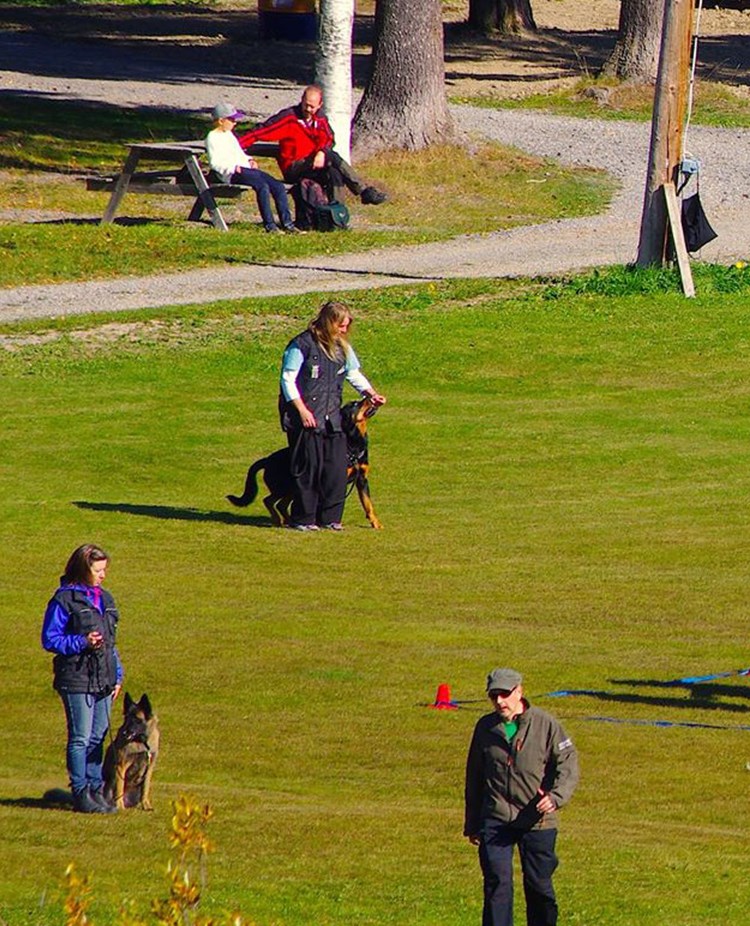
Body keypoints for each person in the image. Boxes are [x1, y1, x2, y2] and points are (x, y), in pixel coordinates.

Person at [464, 668, 579, 926]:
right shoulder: (485, 727)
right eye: (494, 696)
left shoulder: (546, 724)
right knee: (497, 885)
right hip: (496, 819)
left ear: (520, 692)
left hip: (537, 820)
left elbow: (568, 763)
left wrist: (556, 797)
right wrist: (472, 823)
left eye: (505, 694)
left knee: (539, 887)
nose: (500, 702)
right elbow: (474, 777)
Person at [279, 300, 386, 531]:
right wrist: (302, 410)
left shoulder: (342, 349)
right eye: (341, 326)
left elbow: (353, 373)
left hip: (331, 419)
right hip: (306, 418)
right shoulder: (301, 345)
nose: (344, 331)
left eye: (347, 326)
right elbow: (287, 380)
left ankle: (330, 518)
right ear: (329, 322)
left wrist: (371, 393)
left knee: (335, 469)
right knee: (308, 469)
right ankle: (303, 519)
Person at [41, 544, 123, 814]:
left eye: (104, 570)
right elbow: (50, 639)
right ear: (82, 569)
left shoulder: (106, 599)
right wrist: (81, 641)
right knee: (80, 737)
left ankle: (96, 789)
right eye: (97, 570)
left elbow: (111, 643)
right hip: (76, 678)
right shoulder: (63, 600)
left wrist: (118, 674)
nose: (103, 576)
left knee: (98, 736)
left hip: (104, 678)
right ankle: (80, 793)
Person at [237, 85, 387, 207]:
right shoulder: (289, 118)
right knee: (331, 155)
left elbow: (329, 138)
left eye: (312, 107)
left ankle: (337, 214)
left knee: (334, 172)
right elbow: (260, 131)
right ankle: (363, 190)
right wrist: (234, 145)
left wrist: (321, 152)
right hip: (293, 167)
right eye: (306, 105)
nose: (308, 109)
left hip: (314, 166)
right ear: (301, 100)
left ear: (320, 105)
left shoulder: (320, 119)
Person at [205, 101, 299, 234]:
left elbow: (239, 153)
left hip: (245, 170)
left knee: (277, 186)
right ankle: (270, 225)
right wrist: (233, 168)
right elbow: (215, 162)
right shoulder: (213, 137)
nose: (235, 123)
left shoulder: (229, 135)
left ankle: (288, 223)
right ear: (221, 121)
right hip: (231, 173)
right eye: (232, 120)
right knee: (262, 186)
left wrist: (249, 160)